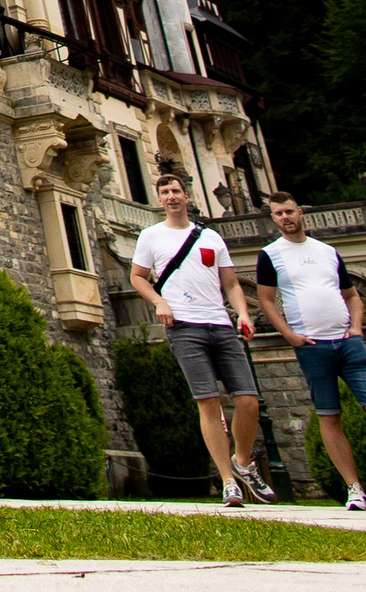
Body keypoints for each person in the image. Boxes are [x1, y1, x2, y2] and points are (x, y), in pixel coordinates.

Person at [255, 192, 366, 511]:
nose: (285, 217)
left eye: (289, 212)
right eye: (278, 214)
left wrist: (356, 329)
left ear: (301, 212)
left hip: (347, 342)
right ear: (273, 219)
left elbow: (352, 295)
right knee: (329, 415)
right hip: (311, 345)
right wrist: (290, 336)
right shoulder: (270, 255)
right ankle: (354, 489)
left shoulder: (326, 251)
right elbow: (266, 300)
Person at [130, 174, 271, 508]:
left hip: (220, 324)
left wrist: (243, 313)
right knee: (208, 402)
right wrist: (160, 303)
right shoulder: (151, 236)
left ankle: (241, 460)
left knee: (249, 400)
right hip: (184, 326)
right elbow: (137, 277)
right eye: (165, 192)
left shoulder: (210, 237)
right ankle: (227, 481)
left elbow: (232, 284)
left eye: (176, 191)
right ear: (159, 199)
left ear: (187, 196)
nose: (171, 196)